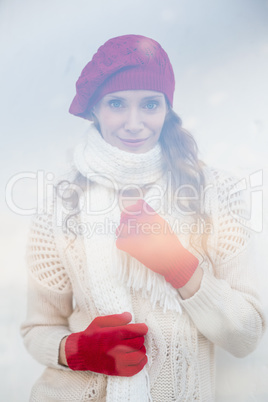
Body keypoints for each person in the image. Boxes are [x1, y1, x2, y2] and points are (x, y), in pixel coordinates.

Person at [21, 34, 265, 401]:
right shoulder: (59, 205)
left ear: (167, 109)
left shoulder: (216, 193)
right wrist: (72, 350)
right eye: (116, 103)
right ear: (94, 109)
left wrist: (181, 268)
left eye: (150, 105)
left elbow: (245, 335)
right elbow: (38, 329)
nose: (134, 123)